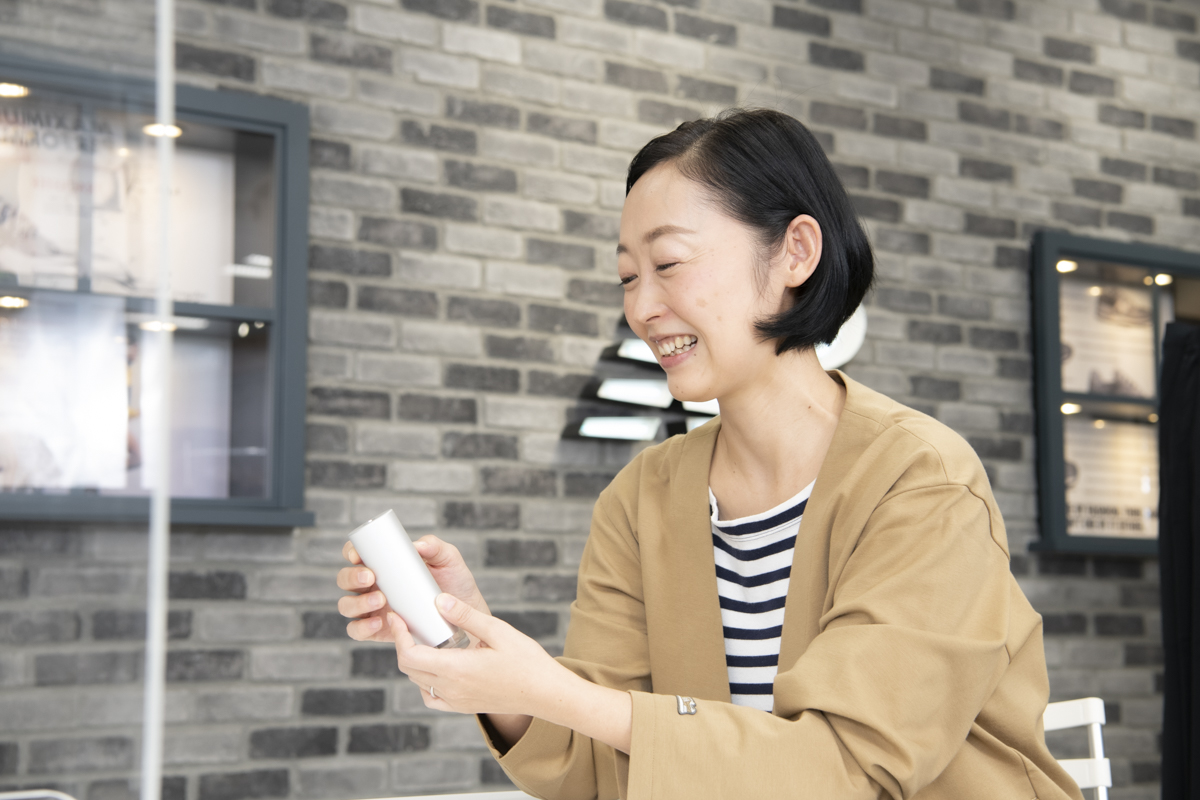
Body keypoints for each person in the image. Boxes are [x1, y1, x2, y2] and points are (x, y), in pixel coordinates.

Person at [337, 108, 1082, 800]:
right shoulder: (642, 498)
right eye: (628, 276)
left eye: (669, 264)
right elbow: (596, 768)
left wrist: (557, 691)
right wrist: (480, 645)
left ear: (795, 252)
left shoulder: (921, 480)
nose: (641, 307)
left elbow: (850, 769)